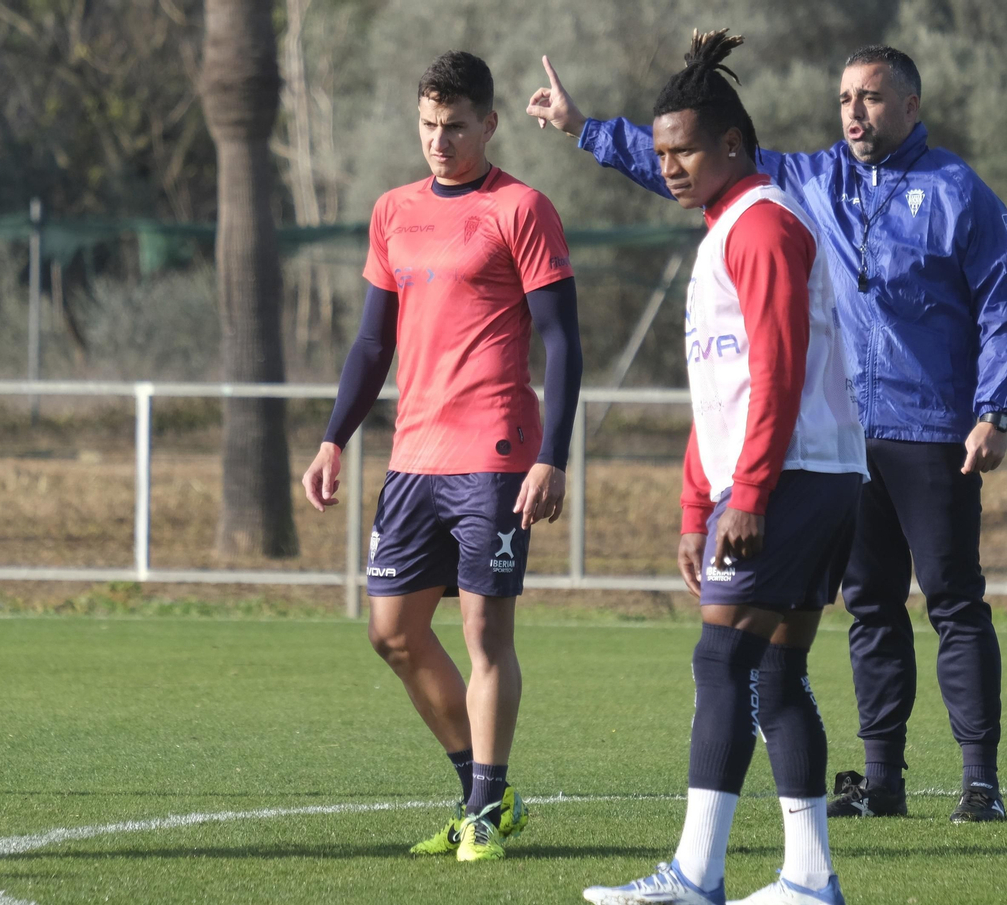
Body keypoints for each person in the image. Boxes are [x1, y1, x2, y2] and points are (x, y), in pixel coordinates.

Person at [529, 44, 1007, 823]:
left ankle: (980, 781)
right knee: (869, 605)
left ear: (910, 107)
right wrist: (583, 129)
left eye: (871, 97)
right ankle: (882, 780)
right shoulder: (809, 180)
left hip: (934, 429)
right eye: (844, 98)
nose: (854, 112)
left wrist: (995, 409)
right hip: (844, 440)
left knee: (953, 601)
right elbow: (694, 155)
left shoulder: (957, 192)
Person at [580, 30, 865, 905]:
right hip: (795, 479)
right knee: (773, 672)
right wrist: (693, 506)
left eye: (685, 149)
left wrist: (746, 495)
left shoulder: (764, 226)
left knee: (720, 661)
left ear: (733, 145)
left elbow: (777, 370)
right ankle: (808, 880)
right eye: (660, 152)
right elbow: (721, 388)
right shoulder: (724, 231)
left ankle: (696, 874)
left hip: (795, 480)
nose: (668, 165)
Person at [302, 49, 583, 863]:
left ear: (489, 124)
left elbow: (563, 342)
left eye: (455, 125)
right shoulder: (393, 211)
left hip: (495, 453)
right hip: (414, 458)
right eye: (428, 124)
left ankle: (486, 810)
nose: (439, 139)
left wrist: (552, 455)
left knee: (484, 631)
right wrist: (333, 436)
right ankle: (484, 790)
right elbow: (370, 341)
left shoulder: (522, 209)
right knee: (390, 630)